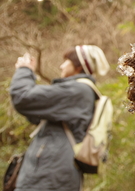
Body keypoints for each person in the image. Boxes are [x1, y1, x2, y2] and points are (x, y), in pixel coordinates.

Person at [9, 45, 110, 191]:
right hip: (54, 174)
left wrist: (25, 70)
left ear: (79, 65)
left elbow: (23, 98)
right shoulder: (78, 92)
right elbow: (34, 114)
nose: (62, 65)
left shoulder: (77, 90)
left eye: (67, 61)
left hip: (49, 176)